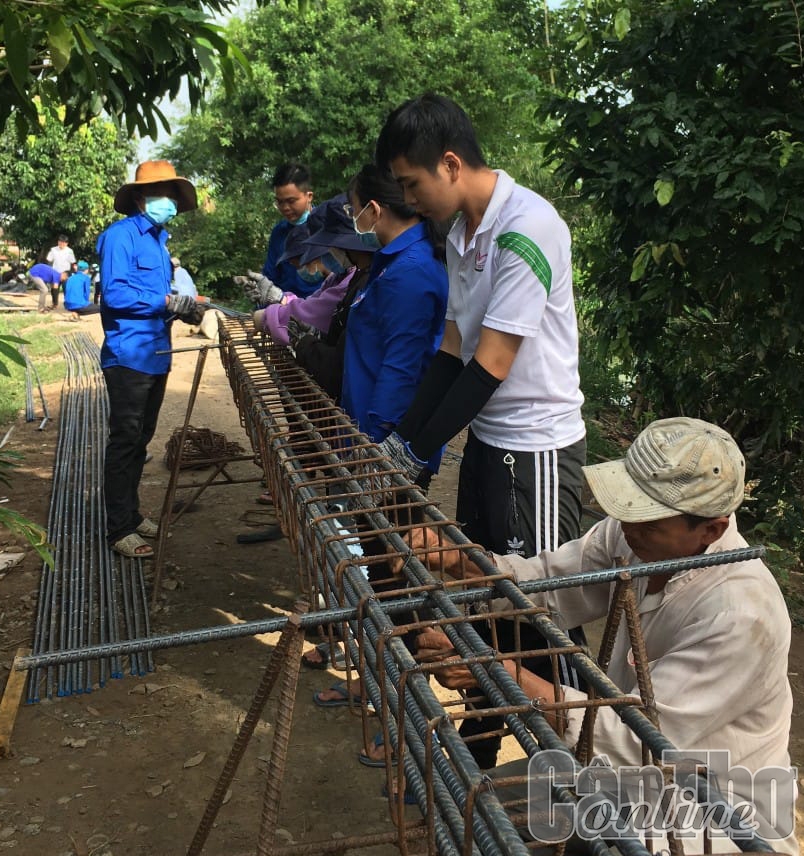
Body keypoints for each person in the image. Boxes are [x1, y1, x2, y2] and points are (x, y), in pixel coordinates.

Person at [408, 417, 797, 854]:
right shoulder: (633, 532)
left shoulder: (741, 615)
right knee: (470, 806)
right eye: (628, 508)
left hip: (708, 809)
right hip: (624, 775)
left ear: (711, 529)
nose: (628, 527)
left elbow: (634, 739)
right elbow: (552, 582)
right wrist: (465, 563)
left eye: (648, 522)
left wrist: (496, 672)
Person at [375, 93, 587, 766]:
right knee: (482, 595)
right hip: (490, 446)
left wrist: (419, 446)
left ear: (450, 163)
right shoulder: (462, 236)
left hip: (535, 452)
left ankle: (581, 767)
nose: (410, 198)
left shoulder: (527, 228)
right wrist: (403, 442)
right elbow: (452, 348)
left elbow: (492, 362)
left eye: (412, 184)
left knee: (541, 616)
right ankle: (481, 748)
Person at [312, 163, 449, 703]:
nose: (353, 218)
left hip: (385, 451)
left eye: (354, 206)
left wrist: (374, 452)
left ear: (378, 207)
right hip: (366, 440)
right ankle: (379, 685)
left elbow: (402, 369)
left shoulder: (411, 271)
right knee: (381, 567)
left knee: (392, 574)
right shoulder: (389, 266)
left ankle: (393, 699)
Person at [97, 160, 205, 558]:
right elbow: (116, 295)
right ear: (141, 198)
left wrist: (183, 306)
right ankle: (118, 529)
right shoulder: (120, 237)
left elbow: (159, 302)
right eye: (164, 194)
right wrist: (163, 300)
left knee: (141, 440)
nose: (171, 202)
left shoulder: (160, 243)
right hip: (129, 357)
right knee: (125, 441)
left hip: (157, 355)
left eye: (173, 195)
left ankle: (131, 512)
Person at [261, 162, 318, 298]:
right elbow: (270, 276)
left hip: (320, 311)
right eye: (280, 202)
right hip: (284, 310)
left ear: (309, 196)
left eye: (291, 201)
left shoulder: (326, 228)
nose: (285, 208)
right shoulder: (279, 233)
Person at [46, 234, 76, 308]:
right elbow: (49, 260)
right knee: (54, 289)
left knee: (67, 289)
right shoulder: (53, 249)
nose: (61, 244)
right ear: (58, 242)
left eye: (63, 242)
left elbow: (73, 262)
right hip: (55, 272)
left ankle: (68, 303)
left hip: (65, 272)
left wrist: (73, 272)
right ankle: (54, 304)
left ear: (66, 243)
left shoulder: (69, 251)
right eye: (60, 242)